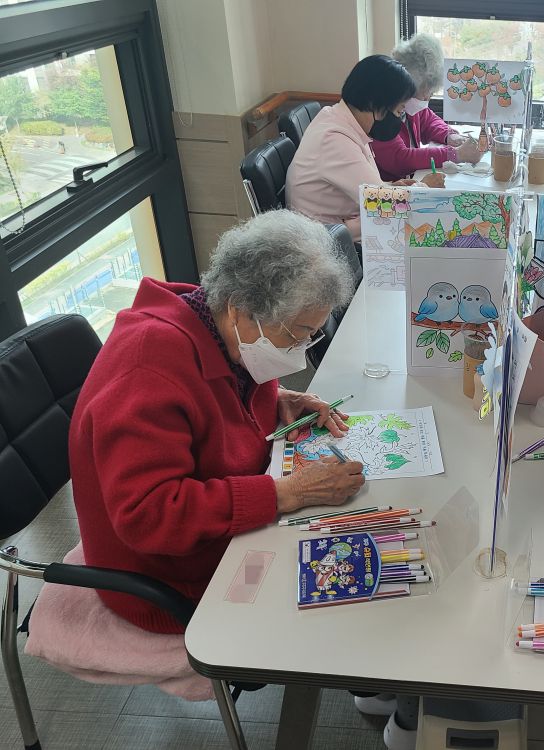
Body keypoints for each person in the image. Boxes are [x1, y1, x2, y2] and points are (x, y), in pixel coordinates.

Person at [68, 210, 366, 634]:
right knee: (337, 593)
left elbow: (216, 397)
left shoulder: (222, 327)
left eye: (311, 335)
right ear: (239, 309)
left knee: (349, 544)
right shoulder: (147, 369)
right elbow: (149, 516)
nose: (300, 351)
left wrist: (280, 398)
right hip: (171, 580)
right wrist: (289, 492)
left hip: (228, 533)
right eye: (296, 334)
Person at [286, 54, 446, 241]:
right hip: (327, 242)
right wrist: (425, 188)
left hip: (341, 223)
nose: (399, 119)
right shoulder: (334, 141)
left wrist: (390, 186)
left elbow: (369, 190)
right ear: (374, 104)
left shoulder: (337, 118)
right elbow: (387, 205)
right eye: (399, 111)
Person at [371, 33, 482, 182]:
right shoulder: (380, 114)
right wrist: (455, 154)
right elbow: (400, 158)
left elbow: (428, 120)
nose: (428, 98)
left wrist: (449, 136)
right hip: (391, 189)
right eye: (426, 92)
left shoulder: (410, 106)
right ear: (407, 86)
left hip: (409, 183)